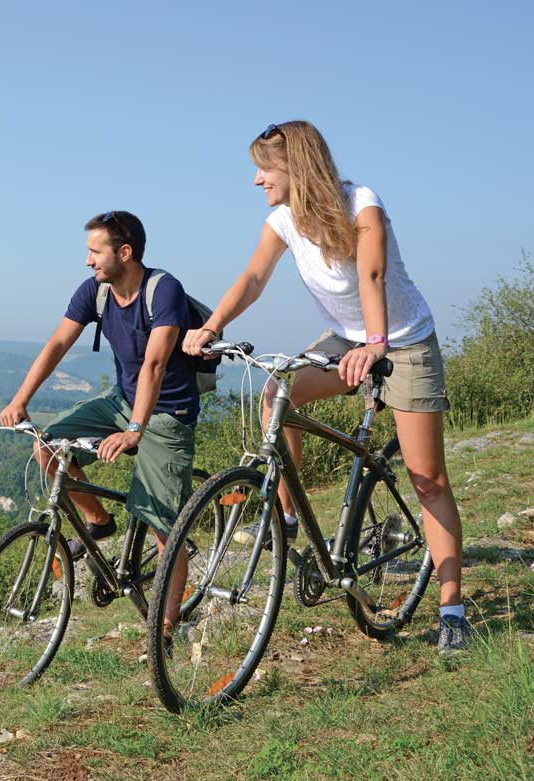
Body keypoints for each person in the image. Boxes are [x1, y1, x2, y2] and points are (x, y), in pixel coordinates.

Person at [182, 120, 471, 653]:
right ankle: (285, 520)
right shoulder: (283, 220)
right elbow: (251, 279)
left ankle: (452, 608)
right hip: (347, 338)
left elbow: (373, 277)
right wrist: (211, 325)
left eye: (264, 169)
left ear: (297, 167)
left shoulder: (362, 203)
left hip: (403, 342)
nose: (256, 180)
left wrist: (378, 342)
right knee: (277, 395)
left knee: (427, 478)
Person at [0, 211, 198, 631]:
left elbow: (155, 364)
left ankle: (164, 630)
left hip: (167, 412)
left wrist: (135, 430)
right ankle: (99, 521)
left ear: (124, 253)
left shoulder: (165, 291)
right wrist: (21, 400)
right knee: (48, 446)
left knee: (166, 529)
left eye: (95, 251)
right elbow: (57, 343)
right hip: (122, 402)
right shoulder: (96, 291)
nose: (88, 261)